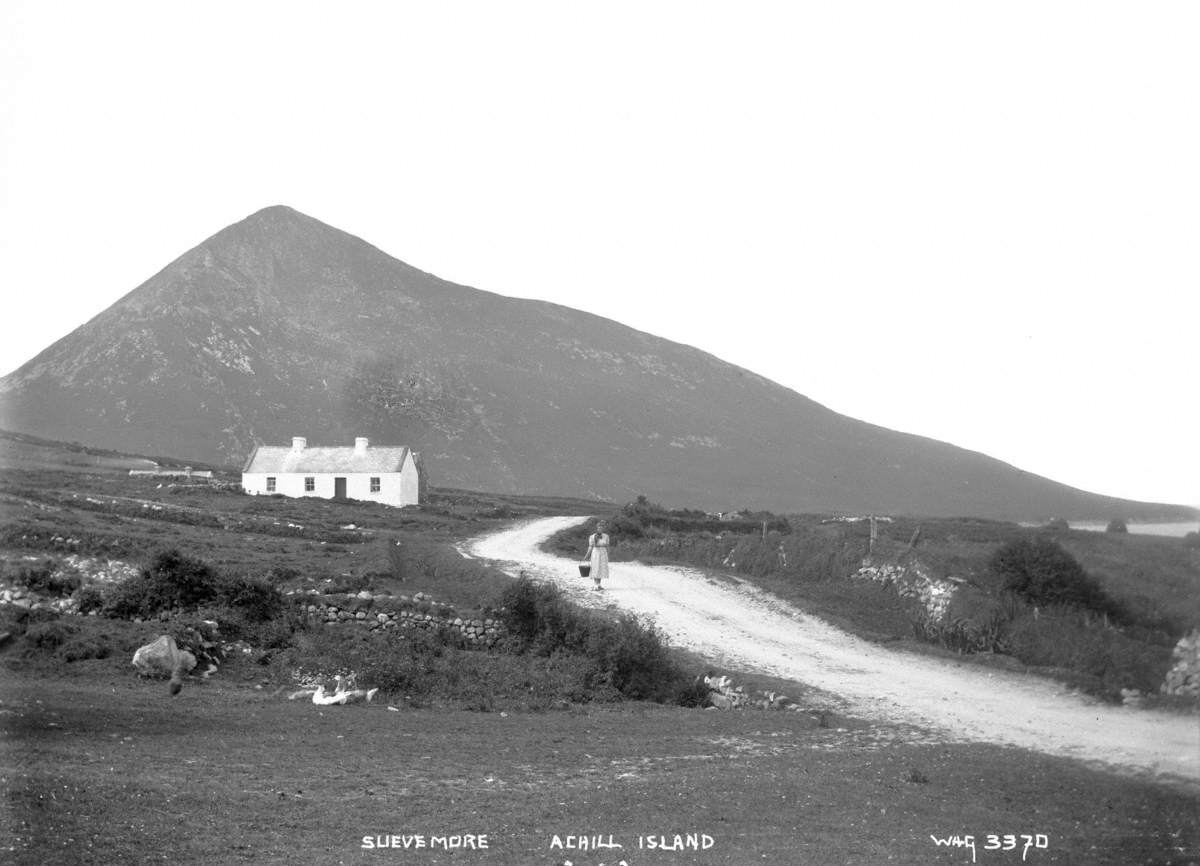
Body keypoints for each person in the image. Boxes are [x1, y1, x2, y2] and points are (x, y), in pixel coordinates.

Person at [584, 521, 610, 591]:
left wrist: (608, 554)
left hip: (603, 553)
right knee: (595, 567)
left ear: (603, 528)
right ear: (597, 528)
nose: (600, 529)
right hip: (595, 553)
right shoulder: (592, 536)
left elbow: (607, 545)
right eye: (599, 528)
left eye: (602, 528)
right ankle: (595, 584)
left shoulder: (606, 536)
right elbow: (590, 546)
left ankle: (599, 584)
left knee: (601, 568)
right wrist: (587, 555)